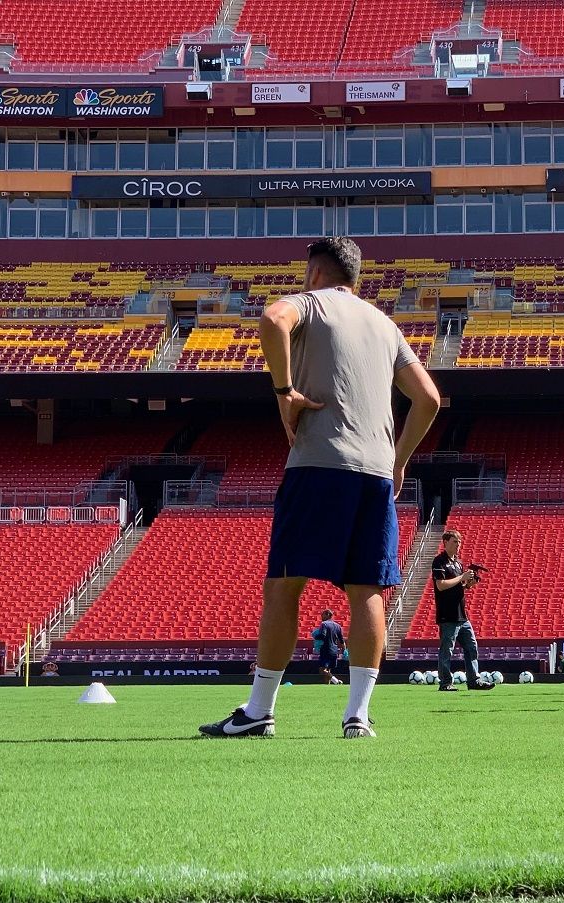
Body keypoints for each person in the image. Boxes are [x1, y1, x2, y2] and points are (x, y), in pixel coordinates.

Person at [199, 237, 441, 740]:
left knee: (285, 584)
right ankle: (357, 716)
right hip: (374, 473)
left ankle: (260, 710)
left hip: (320, 464)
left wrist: (285, 391)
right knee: (367, 591)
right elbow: (430, 399)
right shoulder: (384, 323)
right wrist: (398, 462)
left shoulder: (311, 302)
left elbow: (272, 320)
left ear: (315, 274)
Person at [431, 531, 493, 692]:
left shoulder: (458, 563)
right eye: (454, 541)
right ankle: (445, 682)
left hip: (461, 614)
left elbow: (458, 586)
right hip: (447, 613)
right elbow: (441, 585)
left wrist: (469, 584)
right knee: (447, 649)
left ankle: (473, 680)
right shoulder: (439, 561)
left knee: (472, 646)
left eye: (459, 542)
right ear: (445, 542)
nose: (458, 545)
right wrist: (462, 577)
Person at [312, 609, 346, 684]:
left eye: (323, 614)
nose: (321, 616)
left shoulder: (324, 624)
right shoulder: (338, 626)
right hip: (334, 650)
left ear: (328, 615)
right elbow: (341, 640)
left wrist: (315, 636)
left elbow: (322, 635)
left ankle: (336, 681)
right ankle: (328, 686)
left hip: (325, 649)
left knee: (322, 670)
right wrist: (344, 649)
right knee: (328, 669)